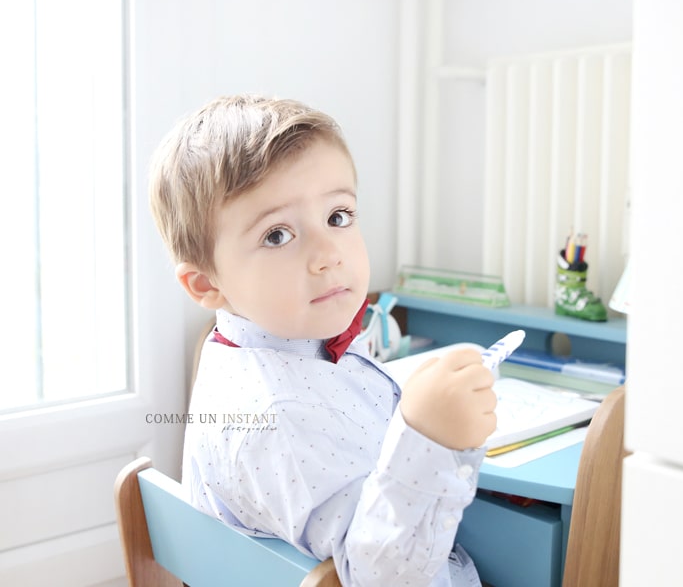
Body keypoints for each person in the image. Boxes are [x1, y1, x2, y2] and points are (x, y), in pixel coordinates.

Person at [149, 94, 497, 586]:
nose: (328, 254)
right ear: (207, 284)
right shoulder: (280, 419)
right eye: (277, 235)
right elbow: (383, 576)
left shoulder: (248, 343)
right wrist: (429, 438)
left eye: (338, 217)